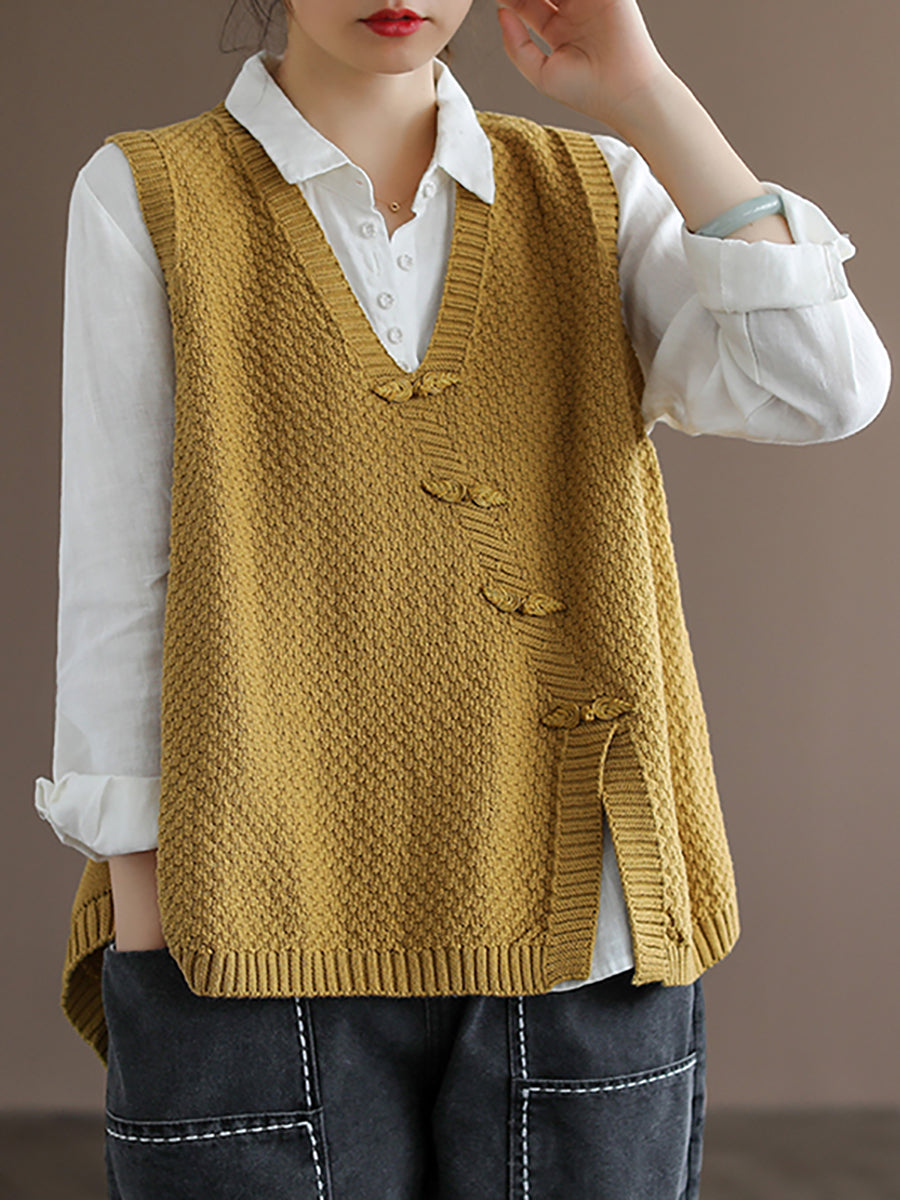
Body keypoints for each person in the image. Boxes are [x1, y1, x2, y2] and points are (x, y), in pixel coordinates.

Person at [33, 1, 890, 1197]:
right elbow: (122, 573)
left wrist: (644, 93)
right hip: (257, 915)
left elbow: (823, 389)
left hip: (581, 923)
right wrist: (154, 930)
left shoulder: (593, 188)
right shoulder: (150, 193)